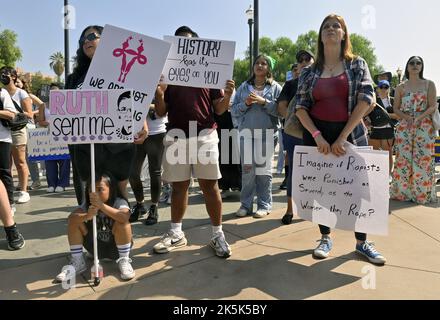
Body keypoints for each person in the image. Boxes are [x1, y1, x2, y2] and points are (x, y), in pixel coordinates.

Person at [295, 14, 386, 265]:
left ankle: (362, 243)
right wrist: (317, 136)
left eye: (337, 26)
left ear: (344, 34)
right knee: (322, 189)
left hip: (351, 134)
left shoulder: (357, 64)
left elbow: (367, 99)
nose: (331, 29)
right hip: (317, 136)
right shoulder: (309, 72)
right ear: (321, 35)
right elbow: (300, 107)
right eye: (326, 26)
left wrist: (344, 136)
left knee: (359, 191)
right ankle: (325, 237)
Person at [153, 26, 235, 258]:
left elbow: (218, 109)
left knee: (210, 186)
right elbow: (160, 112)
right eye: (178, 42)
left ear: (197, 46)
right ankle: (176, 233)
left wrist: (227, 95)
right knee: (179, 187)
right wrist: (159, 94)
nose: (183, 45)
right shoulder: (167, 75)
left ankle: (217, 234)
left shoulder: (209, 72)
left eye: (187, 42)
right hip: (176, 134)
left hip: (205, 134)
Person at [65, 25, 148, 205]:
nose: (86, 42)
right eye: (82, 40)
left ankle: (121, 230)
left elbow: (137, 99)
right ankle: (94, 231)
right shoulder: (74, 78)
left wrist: (142, 124)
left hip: (118, 144)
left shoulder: (124, 70)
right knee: (92, 192)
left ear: (107, 40)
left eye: (91, 37)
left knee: (119, 192)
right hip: (86, 146)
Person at [55, 173, 135, 282]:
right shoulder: (87, 205)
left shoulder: (118, 201)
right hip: (94, 247)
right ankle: (78, 262)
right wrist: (87, 215)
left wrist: (101, 205)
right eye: (91, 190)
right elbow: (71, 219)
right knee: (75, 221)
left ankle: (124, 260)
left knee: (123, 223)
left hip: (115, 248)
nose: (95, 194)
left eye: (100, 189)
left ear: (110, 189)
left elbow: (124, 217)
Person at [231, 54, 282, 218]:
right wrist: (245, 104)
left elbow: (281, 112)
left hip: (267, 134)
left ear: (269, 68)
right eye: (257, 63)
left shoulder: (275, 88)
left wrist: (264, 102)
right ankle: (246, 205)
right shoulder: (244, 87)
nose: (259, 65)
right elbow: (233, 110)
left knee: (263, 171)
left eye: (264, 63)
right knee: (248, 171)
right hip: (246, 133)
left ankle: (264, 205)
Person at [390, 56, 437, 204]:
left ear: (422, 66)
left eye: (418, 63)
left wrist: (419, 117)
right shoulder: (400, 87)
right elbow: (395, 108)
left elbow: (433, 106)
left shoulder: (429, 84)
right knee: (403, 160)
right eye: (412, 63)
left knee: (423, 160)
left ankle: (421, 195)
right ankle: (402, 193)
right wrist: (408, 118)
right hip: (405, 126)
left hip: (424, 126)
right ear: (407, 66)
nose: (415, 65)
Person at [277, 49, 315, 225]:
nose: (304, 61)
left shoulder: (320, 82)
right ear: (297, 65)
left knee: (316, 171)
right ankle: (290, 210)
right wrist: (296, 120)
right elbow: (281, 107)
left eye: (308, 58)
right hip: (295, 134)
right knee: (294, 170)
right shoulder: (291, 84)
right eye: (300, 60)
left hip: (317, 133)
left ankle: (314, 208)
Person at [128, 103, 167, 225]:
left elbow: (164, 108)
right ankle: (140, 204)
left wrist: (145, 105)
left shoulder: (161, 85)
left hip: (156, 131)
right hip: (135, 130)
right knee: (132, 172)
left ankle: (154, 207)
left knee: (155, 171)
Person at [0, 66, 33, 204]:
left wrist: (12, 113)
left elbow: (30, 114)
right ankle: (9, 189)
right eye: (1, 74)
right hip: (4, 129)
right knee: (6, 163)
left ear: (13, 76)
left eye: (5, 74)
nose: (3, 76)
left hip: (17, 129)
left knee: (20, 161)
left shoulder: (21, 94)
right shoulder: (2, 92)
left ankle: (24, 190)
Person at [0, 88, 25, 250]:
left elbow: (12, 114)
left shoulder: (1, 92)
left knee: (3, 174)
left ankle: (10, 227)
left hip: (2, 138)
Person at [38, 83, 71, 193]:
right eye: (51, 91)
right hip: (48, 137)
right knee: (49, 160)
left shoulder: (66, 104)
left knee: (64, 160)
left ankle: (62, 184)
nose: (53, 93)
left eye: (55, 91)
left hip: (63, 136)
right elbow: (40, 121)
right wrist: (49, 123)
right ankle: (51, 184)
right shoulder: (43, 105)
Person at [15, 77, 43, 190]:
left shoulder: (29, 95)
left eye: (18, 81)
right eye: (15, 81)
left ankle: (36, 181)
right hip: (16, 127)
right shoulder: (10, 95)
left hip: (29, 127)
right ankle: (22, 182)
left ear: (23, 83)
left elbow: (42, 105)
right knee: (19, 156)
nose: (16, 83)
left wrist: (33, 114)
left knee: (30, 156)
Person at [368, 80, 398, 175]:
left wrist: (385, 115)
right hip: (375, 129)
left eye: (386, 87)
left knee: (388, 154)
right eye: (381, 87)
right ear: (377, 89)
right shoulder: (373, 101)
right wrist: (367, 123)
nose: (384, 89)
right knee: (374, 154)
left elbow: (399, 115)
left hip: (388, 129)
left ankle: (388, 175)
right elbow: (367, 114)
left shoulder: (394, 101)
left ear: (389, 88)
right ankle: (376, 175)